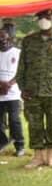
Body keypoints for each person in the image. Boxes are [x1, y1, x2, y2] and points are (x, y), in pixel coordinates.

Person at [16, 9, 52, 169]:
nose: (44, 20)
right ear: (37, 20)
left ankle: (51, 156)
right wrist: (22, 88)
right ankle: (37, 156)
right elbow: (21, 67)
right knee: (34, 124)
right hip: (32, 91)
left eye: (47, 17)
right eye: (41, 17)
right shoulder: (28, 41)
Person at [0, 28, 25, 156]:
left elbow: (22, 72)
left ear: (9, 38)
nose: (2, 40)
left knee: (14, 120)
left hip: (13, 94)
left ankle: (20, 146)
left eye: (3, 38)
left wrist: (9, 84)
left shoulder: (17, 53)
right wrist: (1, 84)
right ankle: (2, 142)